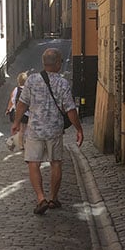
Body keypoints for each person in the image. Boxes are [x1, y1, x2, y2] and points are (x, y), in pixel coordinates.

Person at [11, 48, 83, 214]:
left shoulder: (31, 80)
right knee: (56, 163)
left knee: (33, 163)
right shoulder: (63, 83)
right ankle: (53, 198)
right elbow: (70, 109)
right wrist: (79, 129)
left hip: (34, 130)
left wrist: (16, 122)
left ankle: (40, 198)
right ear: (58, 63)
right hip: (54, 130)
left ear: (44, 63)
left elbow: (22, 104)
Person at [5, 71, 28, 150]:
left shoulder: (16, 90)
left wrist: (8, 109)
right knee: (28, 129)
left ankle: (20, 145)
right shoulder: (29, 89)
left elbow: (12, 100)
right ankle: (27, 143)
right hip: (28, 113)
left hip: (18, 112)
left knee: (21, 129)